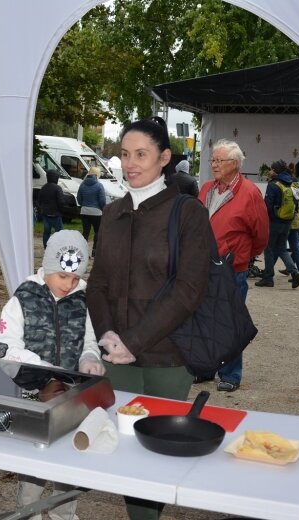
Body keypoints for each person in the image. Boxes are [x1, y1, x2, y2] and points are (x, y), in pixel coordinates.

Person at [86, 117, 211, 520]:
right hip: (116, 356)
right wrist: (107, 334)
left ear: (164, 158)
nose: (130, 163)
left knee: (154, 457)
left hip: (167, 358)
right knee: (121, 453)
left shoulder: (187, 213)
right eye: (124, 154)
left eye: (141, 154)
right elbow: (97, 283)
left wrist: (133, 342)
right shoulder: (113, 213)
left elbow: (188, 291)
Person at [0, 229, 104, 520]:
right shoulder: (23, 298)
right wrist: (41, 372)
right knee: (34, 463)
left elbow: (90, 341)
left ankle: (64, 514)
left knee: (70, 461)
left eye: (75, 278)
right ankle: (27, 513)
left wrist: (90, 359)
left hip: (71, 399)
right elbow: (7, 347)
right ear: (47, 269)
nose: (69, 285)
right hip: (33, 396)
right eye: (62, 277)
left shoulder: (84, 300)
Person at [196, 139, 269, 392]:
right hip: (203, 267)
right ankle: (205, 367)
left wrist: (244, 256)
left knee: (229, 322)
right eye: (213, 160)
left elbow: (261, 234)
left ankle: (230, 374)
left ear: (234, 164)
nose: (214, 164)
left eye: (219, 160)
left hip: (231, 270)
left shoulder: (249, 193)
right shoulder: (206, 189)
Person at [255, 160, 299, 289]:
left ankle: (268, 278)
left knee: (269, 249)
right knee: (281, 248)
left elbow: (267, 207)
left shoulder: (273, 184)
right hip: (287, 221)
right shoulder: (291, 182)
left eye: (271, 169)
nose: (270, 171)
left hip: (274, 222)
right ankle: (295, 272)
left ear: (275, 171)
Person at [76, 166, 106, 255]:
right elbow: (102, 200)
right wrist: (102, 209)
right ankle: (95, 251)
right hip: (97, 212)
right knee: (97, 232)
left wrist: (83, 205)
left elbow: (78, 198)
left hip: (84, 211)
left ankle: (83, 251)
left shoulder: (82, 184)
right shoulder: (99, 185)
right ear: (97, 174)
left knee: (85, 232)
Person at [38, 168, 68, 247]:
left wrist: (42, 210)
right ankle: (59, 247)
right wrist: (63, 211)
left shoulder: (43, 188)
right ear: (56, 178)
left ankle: (46, 247)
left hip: (46, 214)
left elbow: (39, 201)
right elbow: (61, 202)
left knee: (47, 232)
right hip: (56, 214)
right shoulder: (58, 188)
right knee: (59, 232)